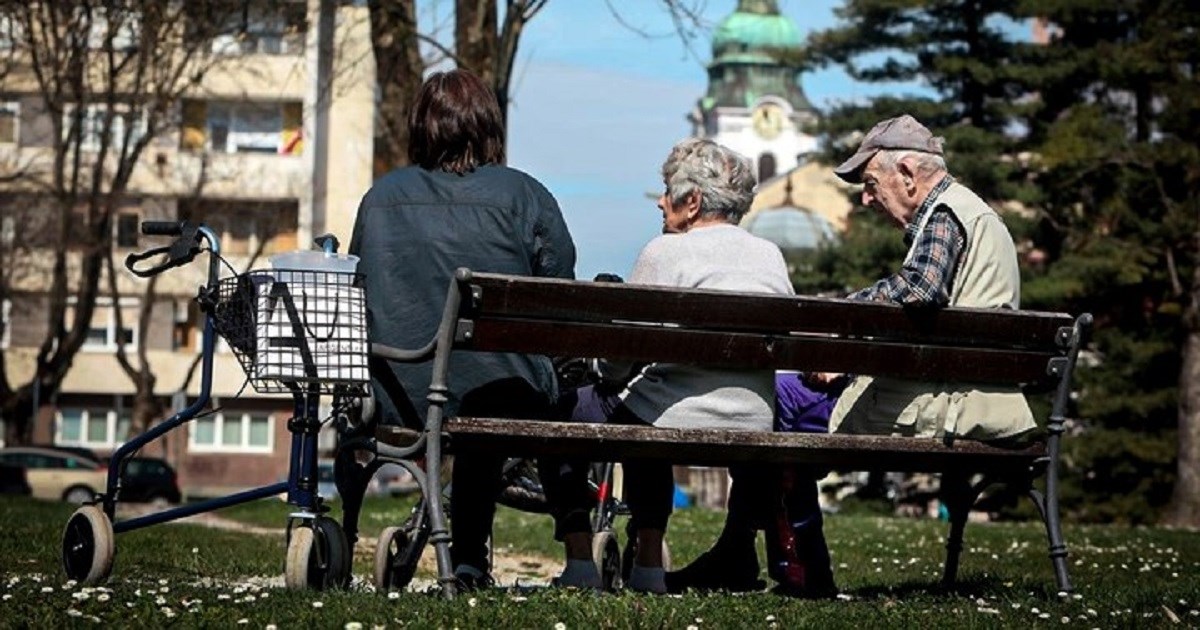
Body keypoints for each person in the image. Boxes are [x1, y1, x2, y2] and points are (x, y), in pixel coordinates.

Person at [667, 114, 1037, 596]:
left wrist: (844, 319)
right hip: (952, 387)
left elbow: (920, 291)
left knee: (768, 405)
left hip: (949, 403)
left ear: (907, 172)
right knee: (775, 398)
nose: (866, 198)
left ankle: (782, 566)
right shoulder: (969, 214)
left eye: (870, 183)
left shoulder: (948, 215)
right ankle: (750, 556)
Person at [348, 69, 576, 590]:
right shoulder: (526, 195)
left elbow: (358, 291)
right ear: (487, 125)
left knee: (464, 396)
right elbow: (559, 289)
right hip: (500, 392)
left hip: (397, 392)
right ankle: (472, 560)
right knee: (488, 396)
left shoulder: (380, 199)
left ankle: (345, 530)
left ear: (421, 127)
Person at [541, 138, 794, 593]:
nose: (660, 201)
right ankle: (650, 564)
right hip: (755, 417)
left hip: (671, 413)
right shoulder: (769, 254)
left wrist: (601, 370)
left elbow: (619, 363)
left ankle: (582, 561)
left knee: (572, 414)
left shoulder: (665, 251)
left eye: (666, 190)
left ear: (692, 201)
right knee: (647, 407)